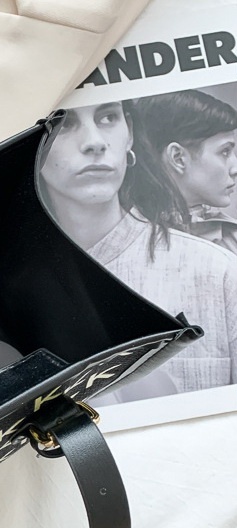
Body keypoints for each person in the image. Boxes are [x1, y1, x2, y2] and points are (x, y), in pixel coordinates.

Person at [39, 101, 237, 396]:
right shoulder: (6, 290)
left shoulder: (216, 271)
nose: (94, 142)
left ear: (129, 133)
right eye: (63, 123)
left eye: (108, 117)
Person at [133, 89, 237, 254]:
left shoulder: (230, 237)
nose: (235, 168)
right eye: (225, 152)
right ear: (178, 158)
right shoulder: (130, 241)